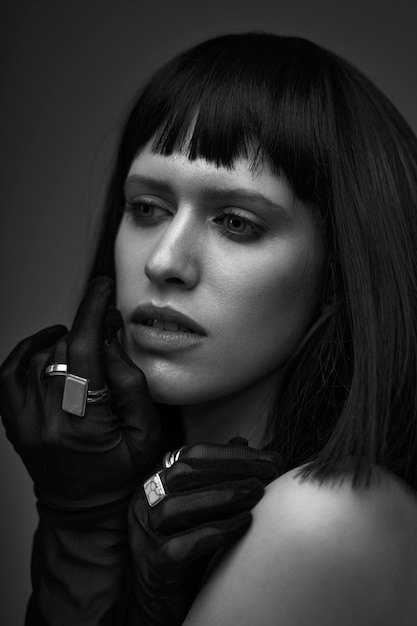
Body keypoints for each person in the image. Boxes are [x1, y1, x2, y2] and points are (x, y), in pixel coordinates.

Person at [2, 31, 417, 625]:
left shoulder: (326, 516)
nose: (165, 262)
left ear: (336, 277)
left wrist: (80, 534)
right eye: (148, 208)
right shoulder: (178, 514)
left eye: (236, 222)